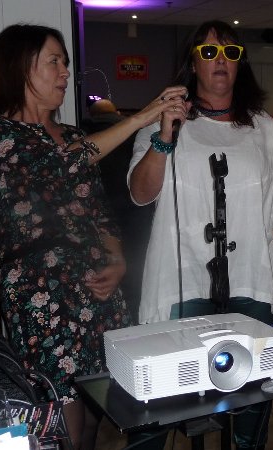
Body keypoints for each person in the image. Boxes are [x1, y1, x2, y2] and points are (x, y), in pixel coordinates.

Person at [0, 24, 186, 450]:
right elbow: (59, 162)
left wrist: (117, 260)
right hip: (42, 298)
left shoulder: (75, 135)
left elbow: (97, 212)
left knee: (96, 411)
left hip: (97, 297)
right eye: (54, 62)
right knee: (62, 422)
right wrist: (141, 117)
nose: (65, 72)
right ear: (20, 67)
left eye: (65, 62)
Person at [128, 20, 273, 450]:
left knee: (251, 397)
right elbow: (140, 192)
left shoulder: (264, 128)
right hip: (182, 280)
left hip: (250, 279)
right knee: (165, 400)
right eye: (209, 52)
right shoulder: (163, 120)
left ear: (241, 63)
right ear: (193, 63)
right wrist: (165, 136)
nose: (220, 61)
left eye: (230, 52)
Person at [80, 99, 154, 323]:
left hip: (100, 216)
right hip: (134, 213)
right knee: (136, 280)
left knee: (105, 284)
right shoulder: (133, 133)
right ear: (116, 112)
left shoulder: (84, 136)